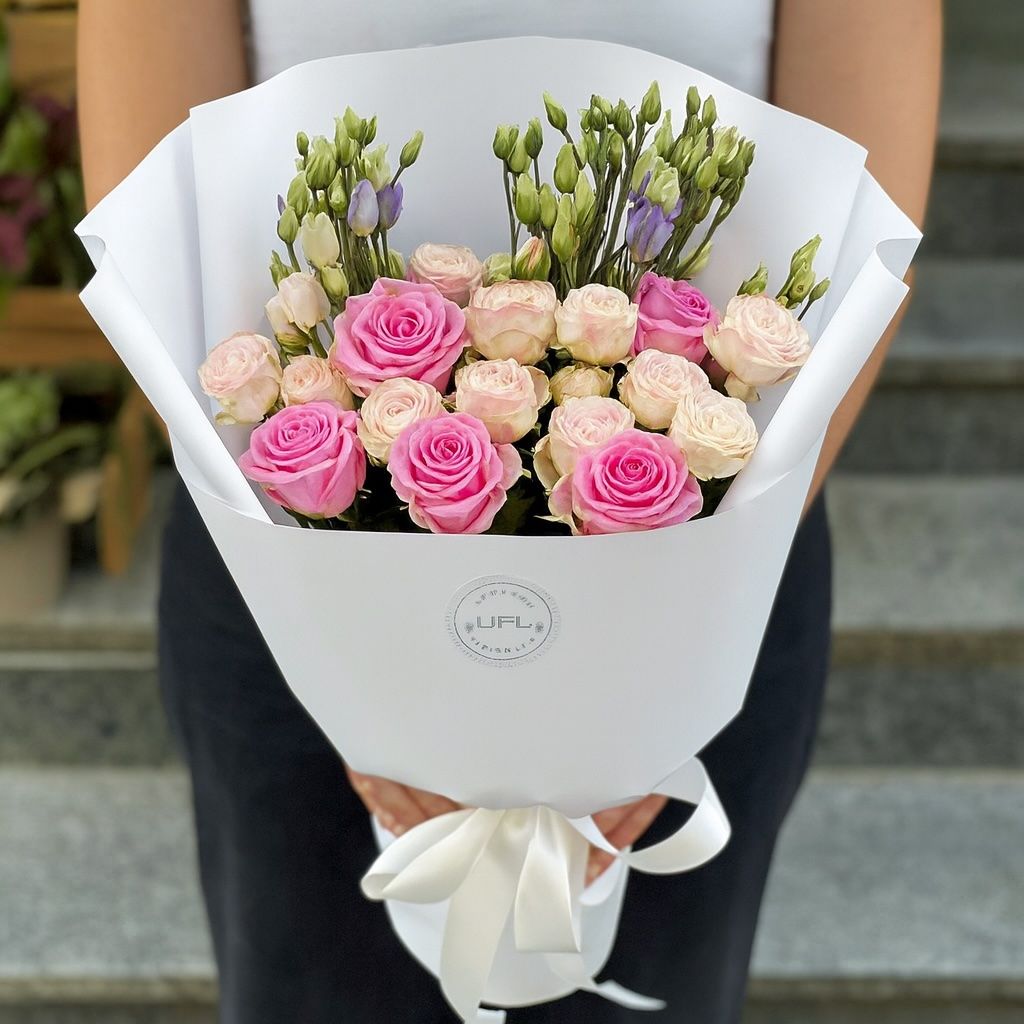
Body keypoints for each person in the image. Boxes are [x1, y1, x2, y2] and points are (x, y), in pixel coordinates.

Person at [78, 2, 940, 1021]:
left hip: (715, 579)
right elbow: (153, 212)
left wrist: (669, 654)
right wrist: (341, 654)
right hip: (282, 569)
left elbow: (867, 199)